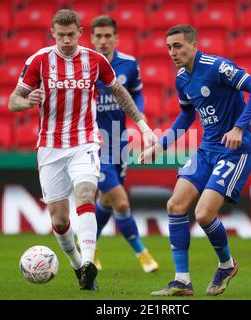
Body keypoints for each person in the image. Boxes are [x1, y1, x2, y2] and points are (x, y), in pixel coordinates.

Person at [8, 9, 157, 291]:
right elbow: (12, 100)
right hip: (50, 146)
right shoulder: (38, 61)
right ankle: (78, 265)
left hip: (85, 142)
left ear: (80, 32)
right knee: (60, 219)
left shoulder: (94, 60)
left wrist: (144, 127)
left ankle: (89, 261)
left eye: (71, 34)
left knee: (87, 193)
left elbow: (120, 92)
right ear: (53, 33)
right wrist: (28, 101)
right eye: (60, 35)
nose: (66, 40)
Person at [139, 25, 251, 296]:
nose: (173, 52)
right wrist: (159, 147)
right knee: (175, 204)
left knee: (204, 214)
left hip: (235, 150)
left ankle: (226, 265)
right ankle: (182, 280)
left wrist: (239, 127)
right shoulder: (182, 78)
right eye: (169, 47)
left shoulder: (218, 67)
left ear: (194, 45)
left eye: (178, 46)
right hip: (207, 149)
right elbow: (186, 116)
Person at [90, 15, 159, 273]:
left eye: (108, 36)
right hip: (93, 144)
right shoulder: (84, 66)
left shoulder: (128, 64)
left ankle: (90, 247)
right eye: (98, 36)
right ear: (92, 38)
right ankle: (143, 254)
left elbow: (137, 92)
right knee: (121, 202)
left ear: (116, 38)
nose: (103, 41)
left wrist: (139, 117)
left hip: (119, 141)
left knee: (106, 201)